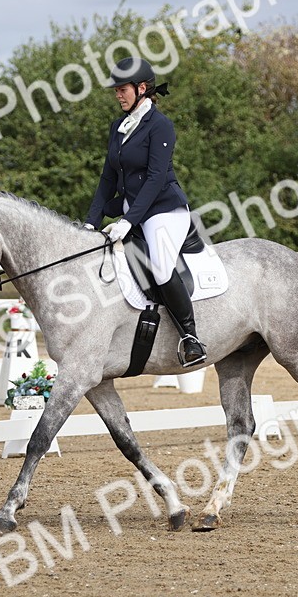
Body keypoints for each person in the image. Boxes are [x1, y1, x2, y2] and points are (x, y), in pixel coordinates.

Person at [85, 57, 207, 367]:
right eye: (116, 91)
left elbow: (154, 179)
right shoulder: (119, 127)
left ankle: (190, 338)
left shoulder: (160, 125)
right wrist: (90, 222)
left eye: (122, 89)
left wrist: (127, 222)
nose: (118, 95)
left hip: (164, 209)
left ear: (142, 89)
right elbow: (107, 179)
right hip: (132, 208)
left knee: (161, 266)